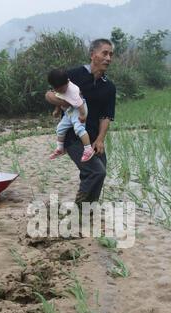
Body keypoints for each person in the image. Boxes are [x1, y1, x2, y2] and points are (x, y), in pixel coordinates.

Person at [45, 39, 115, 206]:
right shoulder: (74, 76)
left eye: (111, 54)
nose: (108, 58)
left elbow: (106, 116)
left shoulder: (109, 87)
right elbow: (48, 94)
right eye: (104, 53)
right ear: (92, 55)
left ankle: (88, 211)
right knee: (96, 172)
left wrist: (100, 140)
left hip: (92, 137)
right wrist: (63, 103)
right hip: (73, 136)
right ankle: (80, 206)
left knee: (97, 172)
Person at [47, 69, 95, 163]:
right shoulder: (58, 87)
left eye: (62, 89)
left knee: (79, 128)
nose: (60, 91)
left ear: (67, 82)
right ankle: (60, 148)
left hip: (79, 109)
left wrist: (83, 116)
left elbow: (80, 104)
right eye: (57, 89)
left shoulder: (73, 91)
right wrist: (57, 110)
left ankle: (88, 149)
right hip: (69, 111)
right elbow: (59, 97)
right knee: (60, 128)